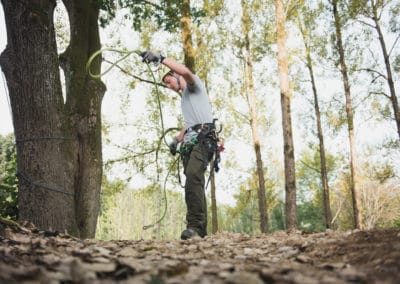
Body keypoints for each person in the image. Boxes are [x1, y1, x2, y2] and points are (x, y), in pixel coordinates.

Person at [141, 50, 216, 240]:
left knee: (193, 176)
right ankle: (199, 229)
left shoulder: (194, 84)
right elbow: (190, 125)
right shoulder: (186, 99)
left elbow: (186, 72)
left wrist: (161, 59)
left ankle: (195, 227)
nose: (169, 87)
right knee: (193, 181)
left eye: (169, 82)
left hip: (204, 139)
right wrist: (177, 139)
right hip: (192, 140)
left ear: (176, 75)